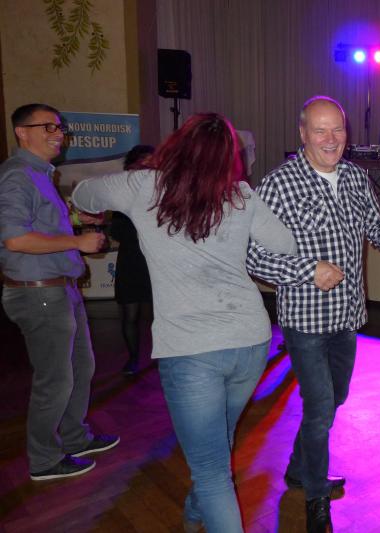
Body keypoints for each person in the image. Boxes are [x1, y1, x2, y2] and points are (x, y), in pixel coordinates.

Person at [72, 113, 296, 533]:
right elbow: (284, 243)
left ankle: (202, 505)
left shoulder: (144, 185)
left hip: (191, 349)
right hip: (249, 340)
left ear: (176, 145)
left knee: (212, 470)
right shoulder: (240, 195)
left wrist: (97, 208)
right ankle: (196, 510)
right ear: (230, 157)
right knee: (218, 441)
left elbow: (84, 192)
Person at [246, 96, 380, 533]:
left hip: (347, 316)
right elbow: (253, 255)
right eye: (319, 130)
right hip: (305, 320)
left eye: (337, 129)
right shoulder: (279, 185)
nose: (330, 139)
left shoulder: (356, 177)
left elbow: (373, 224)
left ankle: (298, 469)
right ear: (302, 134)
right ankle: (316, 498)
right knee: (321, 407)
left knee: (335, 398)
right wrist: (308, 270)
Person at [0, 103, 118, 481]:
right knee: (55, 379)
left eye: (60, 128)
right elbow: (16, 239)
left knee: (81, 368)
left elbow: (42, 224)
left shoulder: (40, 175)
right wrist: (77, 241)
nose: (58, 134)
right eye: (48, 127)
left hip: (59, 289)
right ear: (22, 132)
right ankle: (44, 460)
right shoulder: (17, 176)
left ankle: (74, 438)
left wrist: (78, 220)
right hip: (38, 293)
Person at [109, 144, 155, 375]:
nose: (147, 168)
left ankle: (164, 356)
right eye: (142, 164)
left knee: (161, 314)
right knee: (130, 314)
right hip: (131, 259)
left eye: (151, 164)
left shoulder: (161, 192)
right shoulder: (123, 194)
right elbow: (116, 230)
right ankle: (133, 359)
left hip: (156, 260)